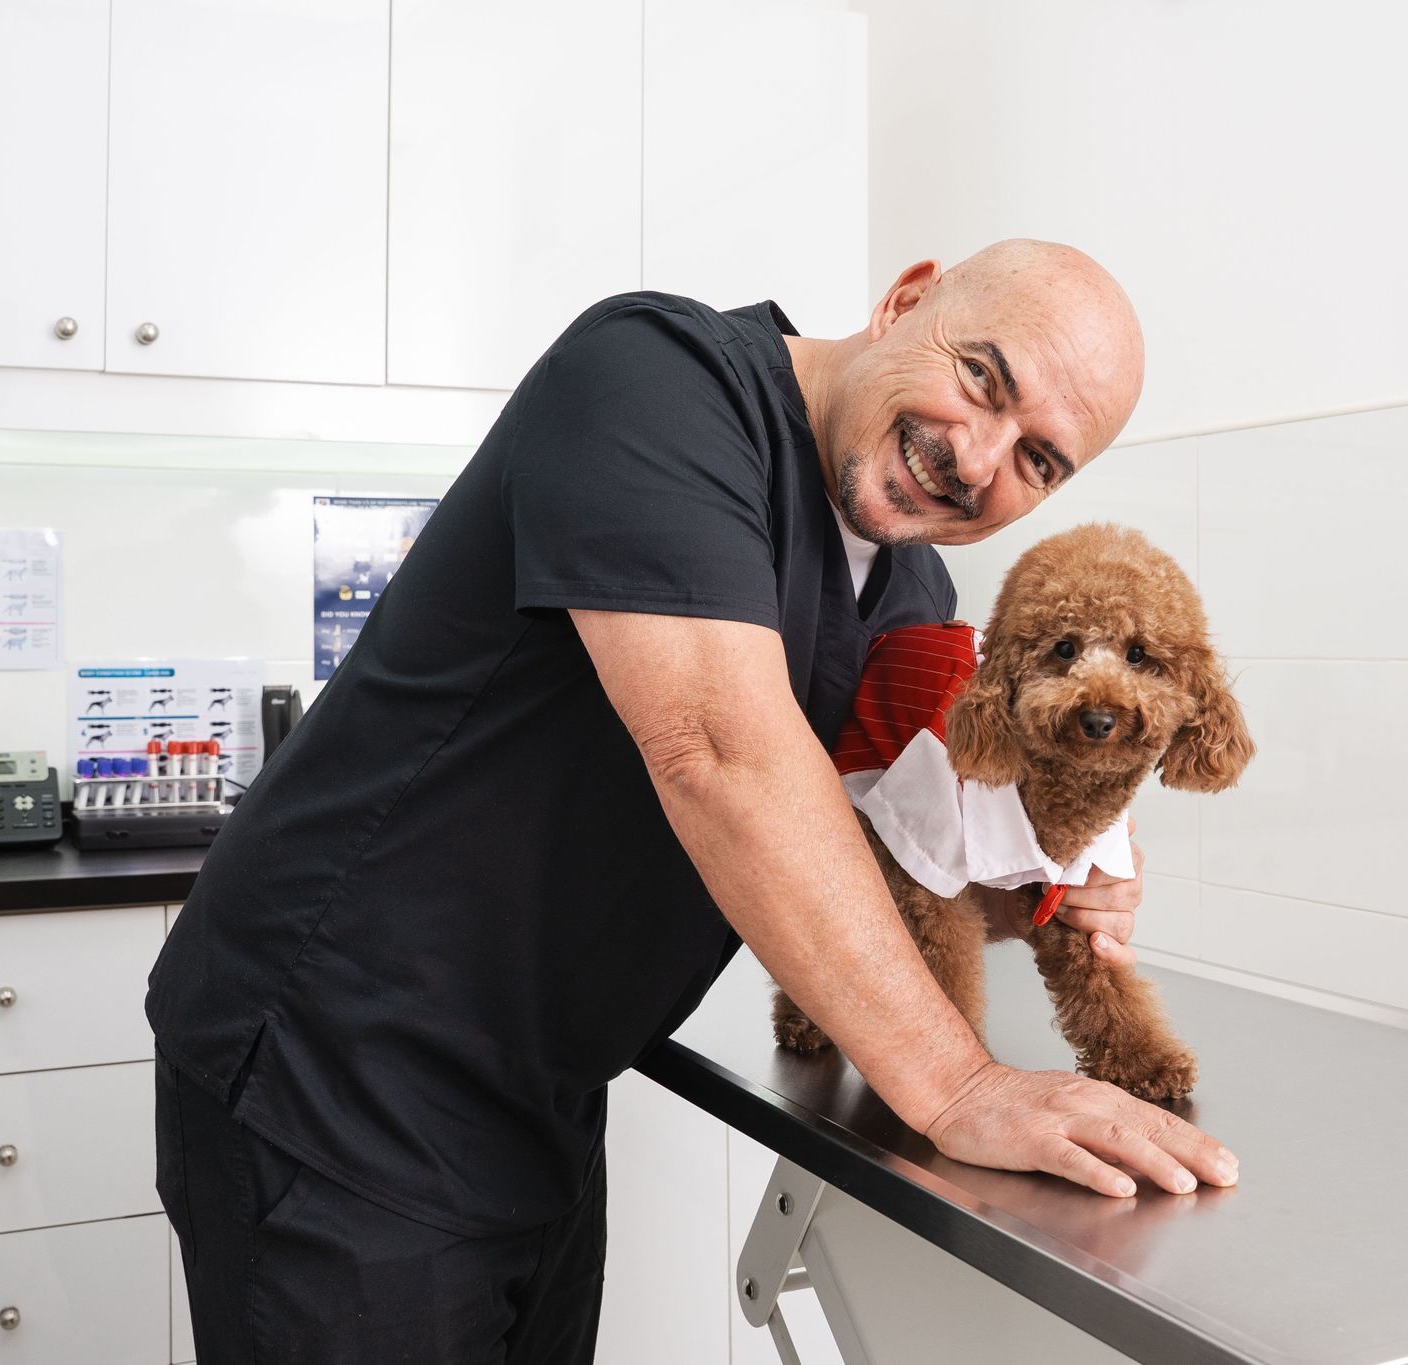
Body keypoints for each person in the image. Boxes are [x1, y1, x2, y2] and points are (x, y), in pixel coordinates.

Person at [146, 239, 1238, 1363]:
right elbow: (719, 752)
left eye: (1038, 460)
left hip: (543, 1082)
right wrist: (960, 1084)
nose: (976, 457)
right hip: (341, 1054)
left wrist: (1060, 873)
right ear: (905, 299)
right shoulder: (655, 380)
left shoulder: (912, 582)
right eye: (980, 378)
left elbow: (896, 848)